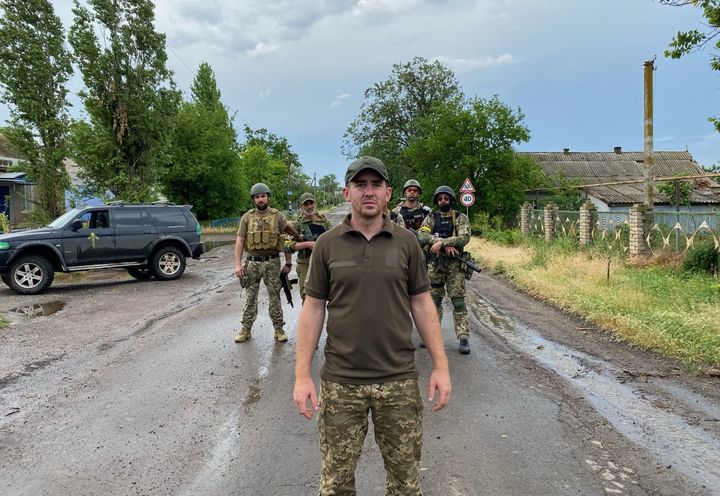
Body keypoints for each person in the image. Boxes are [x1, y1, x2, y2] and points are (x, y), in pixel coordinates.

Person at [293, 156, 451, 495]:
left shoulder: (408, 243)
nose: (368, 192)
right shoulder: (327, 245)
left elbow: (422, 304)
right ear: (346, 192)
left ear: (388, 193)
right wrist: (302, 374)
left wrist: (441, 365)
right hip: (341, 384)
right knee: (336, 484)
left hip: (398, 382)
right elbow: (313, 309)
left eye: (375, 184)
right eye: (360, 184)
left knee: (405, 484)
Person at [234, 182, 294, 343]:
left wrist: (288, 263)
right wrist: (238, 265)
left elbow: (287, 239)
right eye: (257, 197)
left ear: (268, 197)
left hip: (272, 262)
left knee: (274, 297)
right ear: (254, 199)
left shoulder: (278, 216)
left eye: (263, 196)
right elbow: (240, 241)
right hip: (252, 263)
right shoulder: (247, 217)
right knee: (250, 297)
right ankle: (246, 329)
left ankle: (279, 329)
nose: (260, 199)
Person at [418, 185, 472, 354]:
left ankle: (463, 338)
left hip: (455, 266)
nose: (443, 201)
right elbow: (422, 235)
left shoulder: (461, 217)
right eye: (440, 199)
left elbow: (464, 238)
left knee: (458, 302)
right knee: (434, 303)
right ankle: (432, 337)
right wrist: (438, 242)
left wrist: (445, 242)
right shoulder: (431, 217)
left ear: (451, 200)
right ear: (436, 200)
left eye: (446, 198)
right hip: (435, 265)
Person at [284, 192, 332, 302]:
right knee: (308, 298)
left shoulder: (324, 222)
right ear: (301, 206)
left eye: (312, 203)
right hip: (305, 264)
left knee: (331, 296)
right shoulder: (297, 225)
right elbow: (285, 245)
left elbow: (334, 242)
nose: (310, 206)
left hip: (324, 263)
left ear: (315, 204)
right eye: (306, 204)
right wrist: (307, 244)